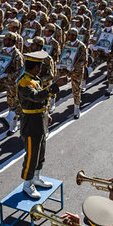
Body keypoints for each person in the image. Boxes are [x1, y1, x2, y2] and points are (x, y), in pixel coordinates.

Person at [18, 50, 67, 199]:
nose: (40, 70)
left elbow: (40, 101)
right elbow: (35, 97)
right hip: (31, 122)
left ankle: (36, 177)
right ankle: (27, 184)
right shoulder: (24, 82)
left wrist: (46, 115)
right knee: (32, 155)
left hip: (40, 119)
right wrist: (55, 85)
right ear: (34, 68)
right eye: (38, 67)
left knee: (41, 152)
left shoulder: (33, 78)